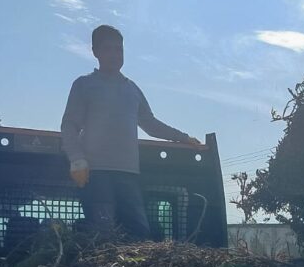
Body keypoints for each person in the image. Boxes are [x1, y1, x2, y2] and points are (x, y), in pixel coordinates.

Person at [61, 25, 201, 239]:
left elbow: (151, 124)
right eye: (108, 49)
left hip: (128, 175)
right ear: (95, 52)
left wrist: (183, 137)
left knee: (140, 234)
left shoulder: (132, 89)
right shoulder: (84, 85)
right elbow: (69, 126)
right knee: (104, 235)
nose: (114, 55)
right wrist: (77, 159)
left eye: (119, 49)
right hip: (96, 175)